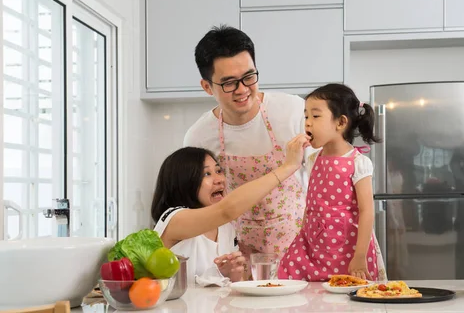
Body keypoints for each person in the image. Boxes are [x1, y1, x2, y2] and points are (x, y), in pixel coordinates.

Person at [184, 25, 312, 265]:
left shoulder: (294, 111)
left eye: (249, 77)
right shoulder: (198, 137)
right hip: (237, 257)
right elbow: (200, 207)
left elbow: (321, 178)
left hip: (298, 248)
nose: (242, 89)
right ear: (207, 86)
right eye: (229, 83)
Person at [151, 134, 309, 286]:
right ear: (184, 181)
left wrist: (232, 276)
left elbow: (226, 285)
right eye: (207, 174)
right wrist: (288, 166)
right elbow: (227, 210)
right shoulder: (175, 219)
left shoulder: (226, 228)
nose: (219, 179)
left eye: (219, 171)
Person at [278, 83, 387, 282]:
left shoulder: (358, 163)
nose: (308, 123)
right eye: (306, 116)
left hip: (348, 248)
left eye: (315, 116)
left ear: (340, 122)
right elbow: (311, 204)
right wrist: (304, 234)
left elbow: (367, 211)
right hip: (314, 245)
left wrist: (360, 256)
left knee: (349, 294)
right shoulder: (312, 159)